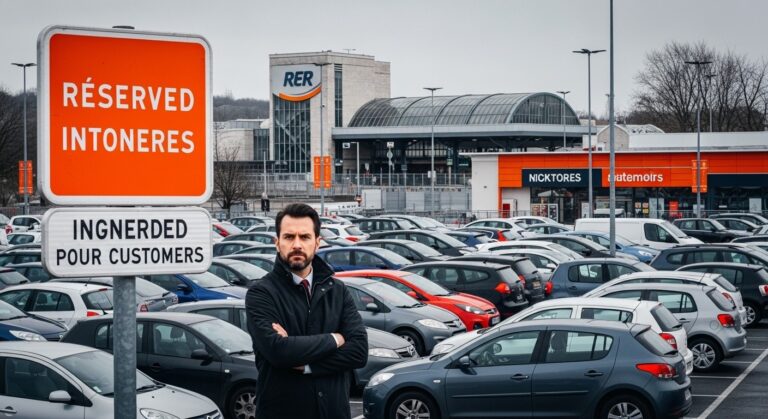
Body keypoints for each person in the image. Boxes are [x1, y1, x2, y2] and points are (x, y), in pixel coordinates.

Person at [245, 203, 367, 419]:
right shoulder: (261, 293)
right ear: (277, 243)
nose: (297, 244)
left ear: (317, 243)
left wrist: (308, 364)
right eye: (289, 237)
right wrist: (335, 339)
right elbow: (279, 352)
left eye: (305, 237)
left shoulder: (337, 291)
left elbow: (359, 351)